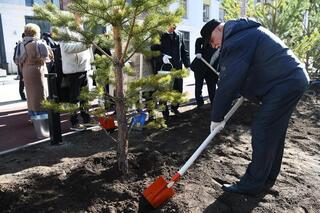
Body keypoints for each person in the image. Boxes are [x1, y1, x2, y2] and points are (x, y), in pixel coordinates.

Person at [200, 18, 309, 195]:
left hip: (284, 83)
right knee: (274, 131)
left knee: (263, 128)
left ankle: (252, 184)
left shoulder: (237, 39)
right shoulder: (245, 33)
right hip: (291, 80)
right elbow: (246, 73)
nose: (213, 46)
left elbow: (228, 81)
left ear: (219, 29)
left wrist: (216, 117)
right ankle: (267, 178)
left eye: (212, 40)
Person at [17, 23, 53, 136]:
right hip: (38, 71)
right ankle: (44, 126)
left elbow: (18, 60)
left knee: (31, 97)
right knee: (41, 96)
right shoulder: (39, 43)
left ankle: (34, 118)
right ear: (35, 32)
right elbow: (49, 56)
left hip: (26, 72)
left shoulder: (21, 44)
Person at [59, 15, 93, 131]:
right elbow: (66, 48)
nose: (83, 17)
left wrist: (91, 63)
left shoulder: (81, 28)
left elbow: (88, 49)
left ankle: (87, 119)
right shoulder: (64, 29)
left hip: (84, 68)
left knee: (85, 97)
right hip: (73, 70)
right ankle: (74, 123)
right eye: (80, 15)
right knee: (74, 98)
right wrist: (84, 45)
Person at [160, 24, 190, 117]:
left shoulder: (180, 35)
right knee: (165, 88)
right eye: (169, 25)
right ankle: (164, 110)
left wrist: (187, 65)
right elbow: (155, 48)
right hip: (165, 65)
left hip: (177, 66)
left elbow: (183, 51)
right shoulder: (160, 35)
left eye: (173, 26)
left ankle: (175, 107)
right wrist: (162, 56)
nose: (171, 28)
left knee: (178, 88)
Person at [190, 37, 219, 108]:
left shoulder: (220, 44)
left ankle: (214, 102)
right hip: (200, 67)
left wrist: (219, 70)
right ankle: (200, 103)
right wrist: (198, 52)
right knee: (199, 85)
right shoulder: (205, 39)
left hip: (211, 69)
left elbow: (219, 59)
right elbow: (198, 41)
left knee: (212, 86)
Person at [13, 33, 27, 100]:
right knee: (22, 81)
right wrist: (19, 64)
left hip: (24, 66)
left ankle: (24, 95)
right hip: (22, 66)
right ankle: (22, 95)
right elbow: (15, 58)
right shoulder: (19, 45)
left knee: (23, 81)